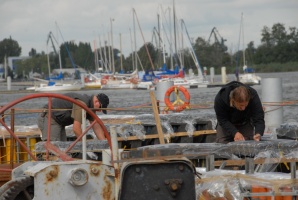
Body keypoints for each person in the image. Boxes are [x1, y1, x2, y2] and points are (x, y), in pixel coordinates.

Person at [37, 92, 109, 141]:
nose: (99, 111)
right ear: (96, 101)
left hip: (59, 122)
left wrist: (104, 145)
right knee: (53, 148)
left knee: (62, 147)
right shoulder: (82, 104)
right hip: (49, 117)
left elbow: (96, 126)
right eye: (100, 108)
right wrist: (86, 147)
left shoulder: (90, 107)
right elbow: (76, 129)